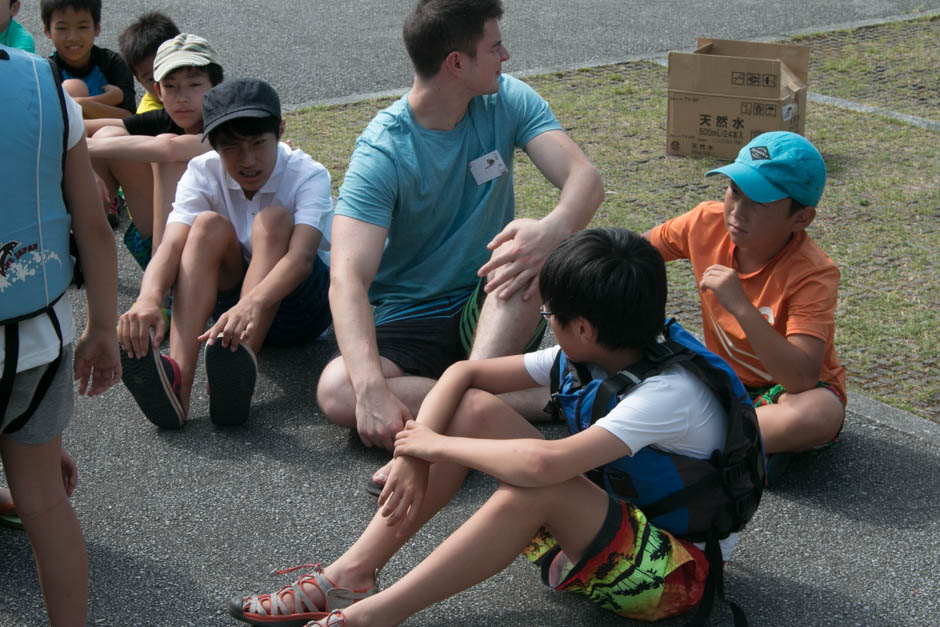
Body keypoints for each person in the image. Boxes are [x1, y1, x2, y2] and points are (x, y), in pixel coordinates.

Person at [229, 228, 761, 626]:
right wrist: (414, 456)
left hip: (673, 574)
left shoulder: (669, 393)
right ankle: (351, 575)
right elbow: (464, 375)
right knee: (473, 409)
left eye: (550, 315)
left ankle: (373, 617)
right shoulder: (607, 346)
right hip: (609, 528)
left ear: (583, 327)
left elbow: (543, 465)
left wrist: (435, 445)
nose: (546, 322)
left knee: (538, 486)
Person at [316, 0, 604, 484]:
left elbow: (585, 180)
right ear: (456, 63)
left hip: (491, 302)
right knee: (338, 389)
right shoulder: (383, 150)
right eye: (494, 47)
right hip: (411, 314)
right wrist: (370, 389)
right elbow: (348, 277)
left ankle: (439, 436)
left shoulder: (507, 99)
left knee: (525, 250)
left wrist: (551, 230)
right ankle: (536, 403)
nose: (506, 56)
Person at [118, 78, 333, 429]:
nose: (247, 160)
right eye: (231, 148)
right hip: (230, 308)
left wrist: (251, 304)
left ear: (280, 131)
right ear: (213, 145)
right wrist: (148, 298)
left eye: (258, 143)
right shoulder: (203, 171)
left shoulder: (307, 174)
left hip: (298, 307)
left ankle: (238, 359)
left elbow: (302, 257)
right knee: (205, 226)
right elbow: (171, 245)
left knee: (274, 220)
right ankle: (179, 380)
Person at [647, 131, 846, 484]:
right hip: (722, 382)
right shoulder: (704, 222)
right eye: (735, 190)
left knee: (820, 414)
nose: (738, 211)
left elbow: (801, 378)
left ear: (801, 219)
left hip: (789, 394)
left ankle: (693, 440)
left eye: (760, 202)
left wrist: (740, 306)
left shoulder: (813, 273)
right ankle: (746, 447)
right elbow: (632, 253)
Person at [1, 44, 120, 625]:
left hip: (35, 342)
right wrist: (103, 327)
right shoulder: (44, 85)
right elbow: (93, 227)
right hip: (38, 341)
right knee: (46, 504)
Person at [86, 33, 221, 253]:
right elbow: (89, 127)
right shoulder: (171, 117)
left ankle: (161, 263)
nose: (182, 97)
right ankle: (87, 243)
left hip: (213, 246)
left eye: (194, 84)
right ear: (158, 91)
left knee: (165, 151)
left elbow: (168, 149)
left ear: (216, 87)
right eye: (170, 86)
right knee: (107, 134)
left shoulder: (225, 124)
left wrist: (83, 147)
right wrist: (84, 161)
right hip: (164, 236)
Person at [40, 0, 136, 118]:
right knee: (73, 87)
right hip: (70, 131)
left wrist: (81, 103)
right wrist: (107, 99)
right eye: (62, 28)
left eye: (82, 27)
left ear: (97, 28)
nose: (73, 37)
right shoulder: (45, 71)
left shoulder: (112, 63)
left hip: (108, 130)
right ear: (47, 30)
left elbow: (129, 117)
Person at [117, 11, 180, 114]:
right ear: (138, 79)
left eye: (168, 71)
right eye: (151, 79)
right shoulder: (149, 116)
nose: (162, 84)